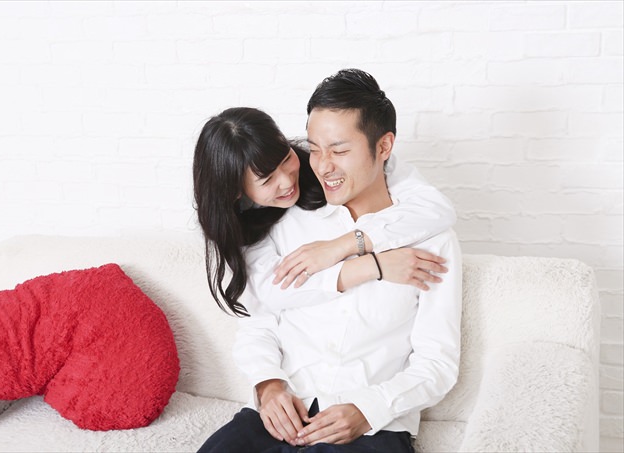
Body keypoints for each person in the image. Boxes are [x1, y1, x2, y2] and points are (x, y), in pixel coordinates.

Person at [198, 69, 462, 452]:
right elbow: (261, 319)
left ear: (384, 147)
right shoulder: (286, 217)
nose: (322, 166)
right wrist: (268, 385)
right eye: (314, 149)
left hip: (370, 428)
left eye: (339, 151)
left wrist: (367, 409)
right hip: (282, 413)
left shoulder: (432, 238)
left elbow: (437, 363)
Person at [193, 107, 456, 317]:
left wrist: (342, 246)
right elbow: (272, 293)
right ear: (236, 191)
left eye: (286, 159)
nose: (287, 181)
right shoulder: (237, 227)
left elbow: (436, 208)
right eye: (267, 179)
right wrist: (373, 266)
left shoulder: (323, 165)